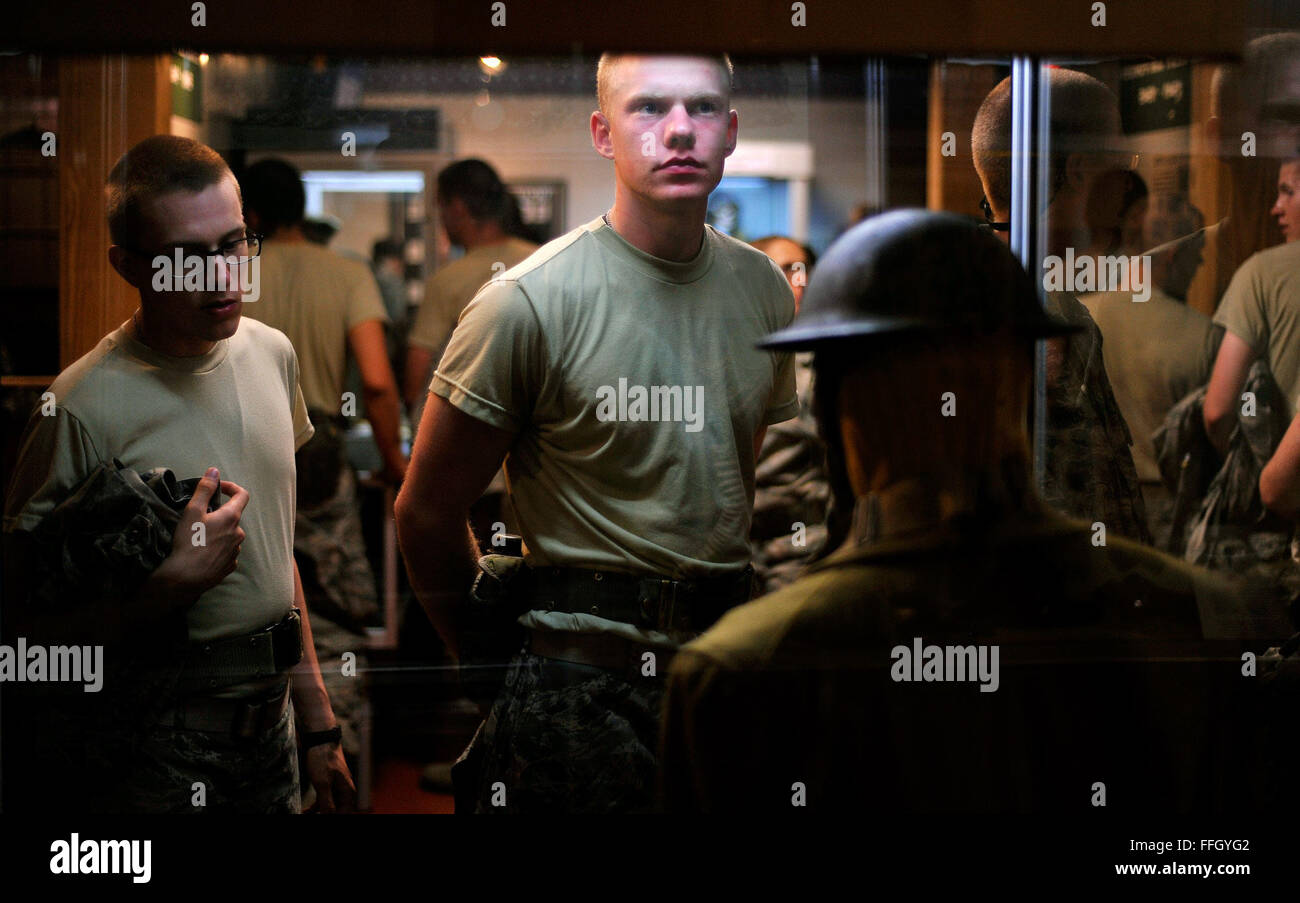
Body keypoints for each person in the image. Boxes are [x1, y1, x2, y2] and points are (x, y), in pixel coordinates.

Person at [661, 210, 1294, 812]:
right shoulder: (1192, 615)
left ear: (832, 406)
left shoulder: (739, 671)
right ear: (1026, 375)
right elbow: (1213, 866)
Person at [395, 53, 798, 813]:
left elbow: (752, 485)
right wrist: (488, 666)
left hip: (719, 681)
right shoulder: (526, 302)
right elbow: (424, 511)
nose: (679, 130)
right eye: (648, 109)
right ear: (603, 134)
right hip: (576, 691)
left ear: (732, 130)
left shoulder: (765, 292)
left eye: (702, 108)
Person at [1, 135, 353, 813]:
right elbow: (20, 641)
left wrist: (318, 722)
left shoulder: (272, 355)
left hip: (271, 732)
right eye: (188, 259)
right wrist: (163, 591)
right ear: (129, 265)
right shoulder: (80, 407)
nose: (225, 277)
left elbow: (281, 559)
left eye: (234, 243)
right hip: (149, 745)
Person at [240, 158, 405, 778]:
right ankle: (339, 757)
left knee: (250, 597)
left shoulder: (232, 274)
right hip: (317, 456)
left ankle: (266, 754)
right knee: (333, 605)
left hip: (237, 448)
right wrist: (394, 464)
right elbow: (381, 384)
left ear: (247, 214)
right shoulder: (345, 273)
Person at [972, 67, 1150, 544]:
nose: (1129, 183)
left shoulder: (1025, 298)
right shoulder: (1035, 315)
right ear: (1079, 171)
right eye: (1122, 161)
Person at [1078, 171, 1223, 548]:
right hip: (1167, 520)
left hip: (1091, 508)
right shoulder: (1206, 337)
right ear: (1173, 253)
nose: (1201, 265)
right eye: (1198, 252)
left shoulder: (1079, 317)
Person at [404, 160, 538, 419]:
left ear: (457, 207)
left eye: (440, 208)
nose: (440, 219)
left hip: (467, 428)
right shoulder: (543, 260)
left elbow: (416, 380)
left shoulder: (447, 281)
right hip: (533, 430)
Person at [748, 235, 828, 592]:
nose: (797, 281)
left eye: (801, 270)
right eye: (783, 270)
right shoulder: (724, 353)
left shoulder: (824, 361)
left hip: (799, 553)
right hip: (728, 550)